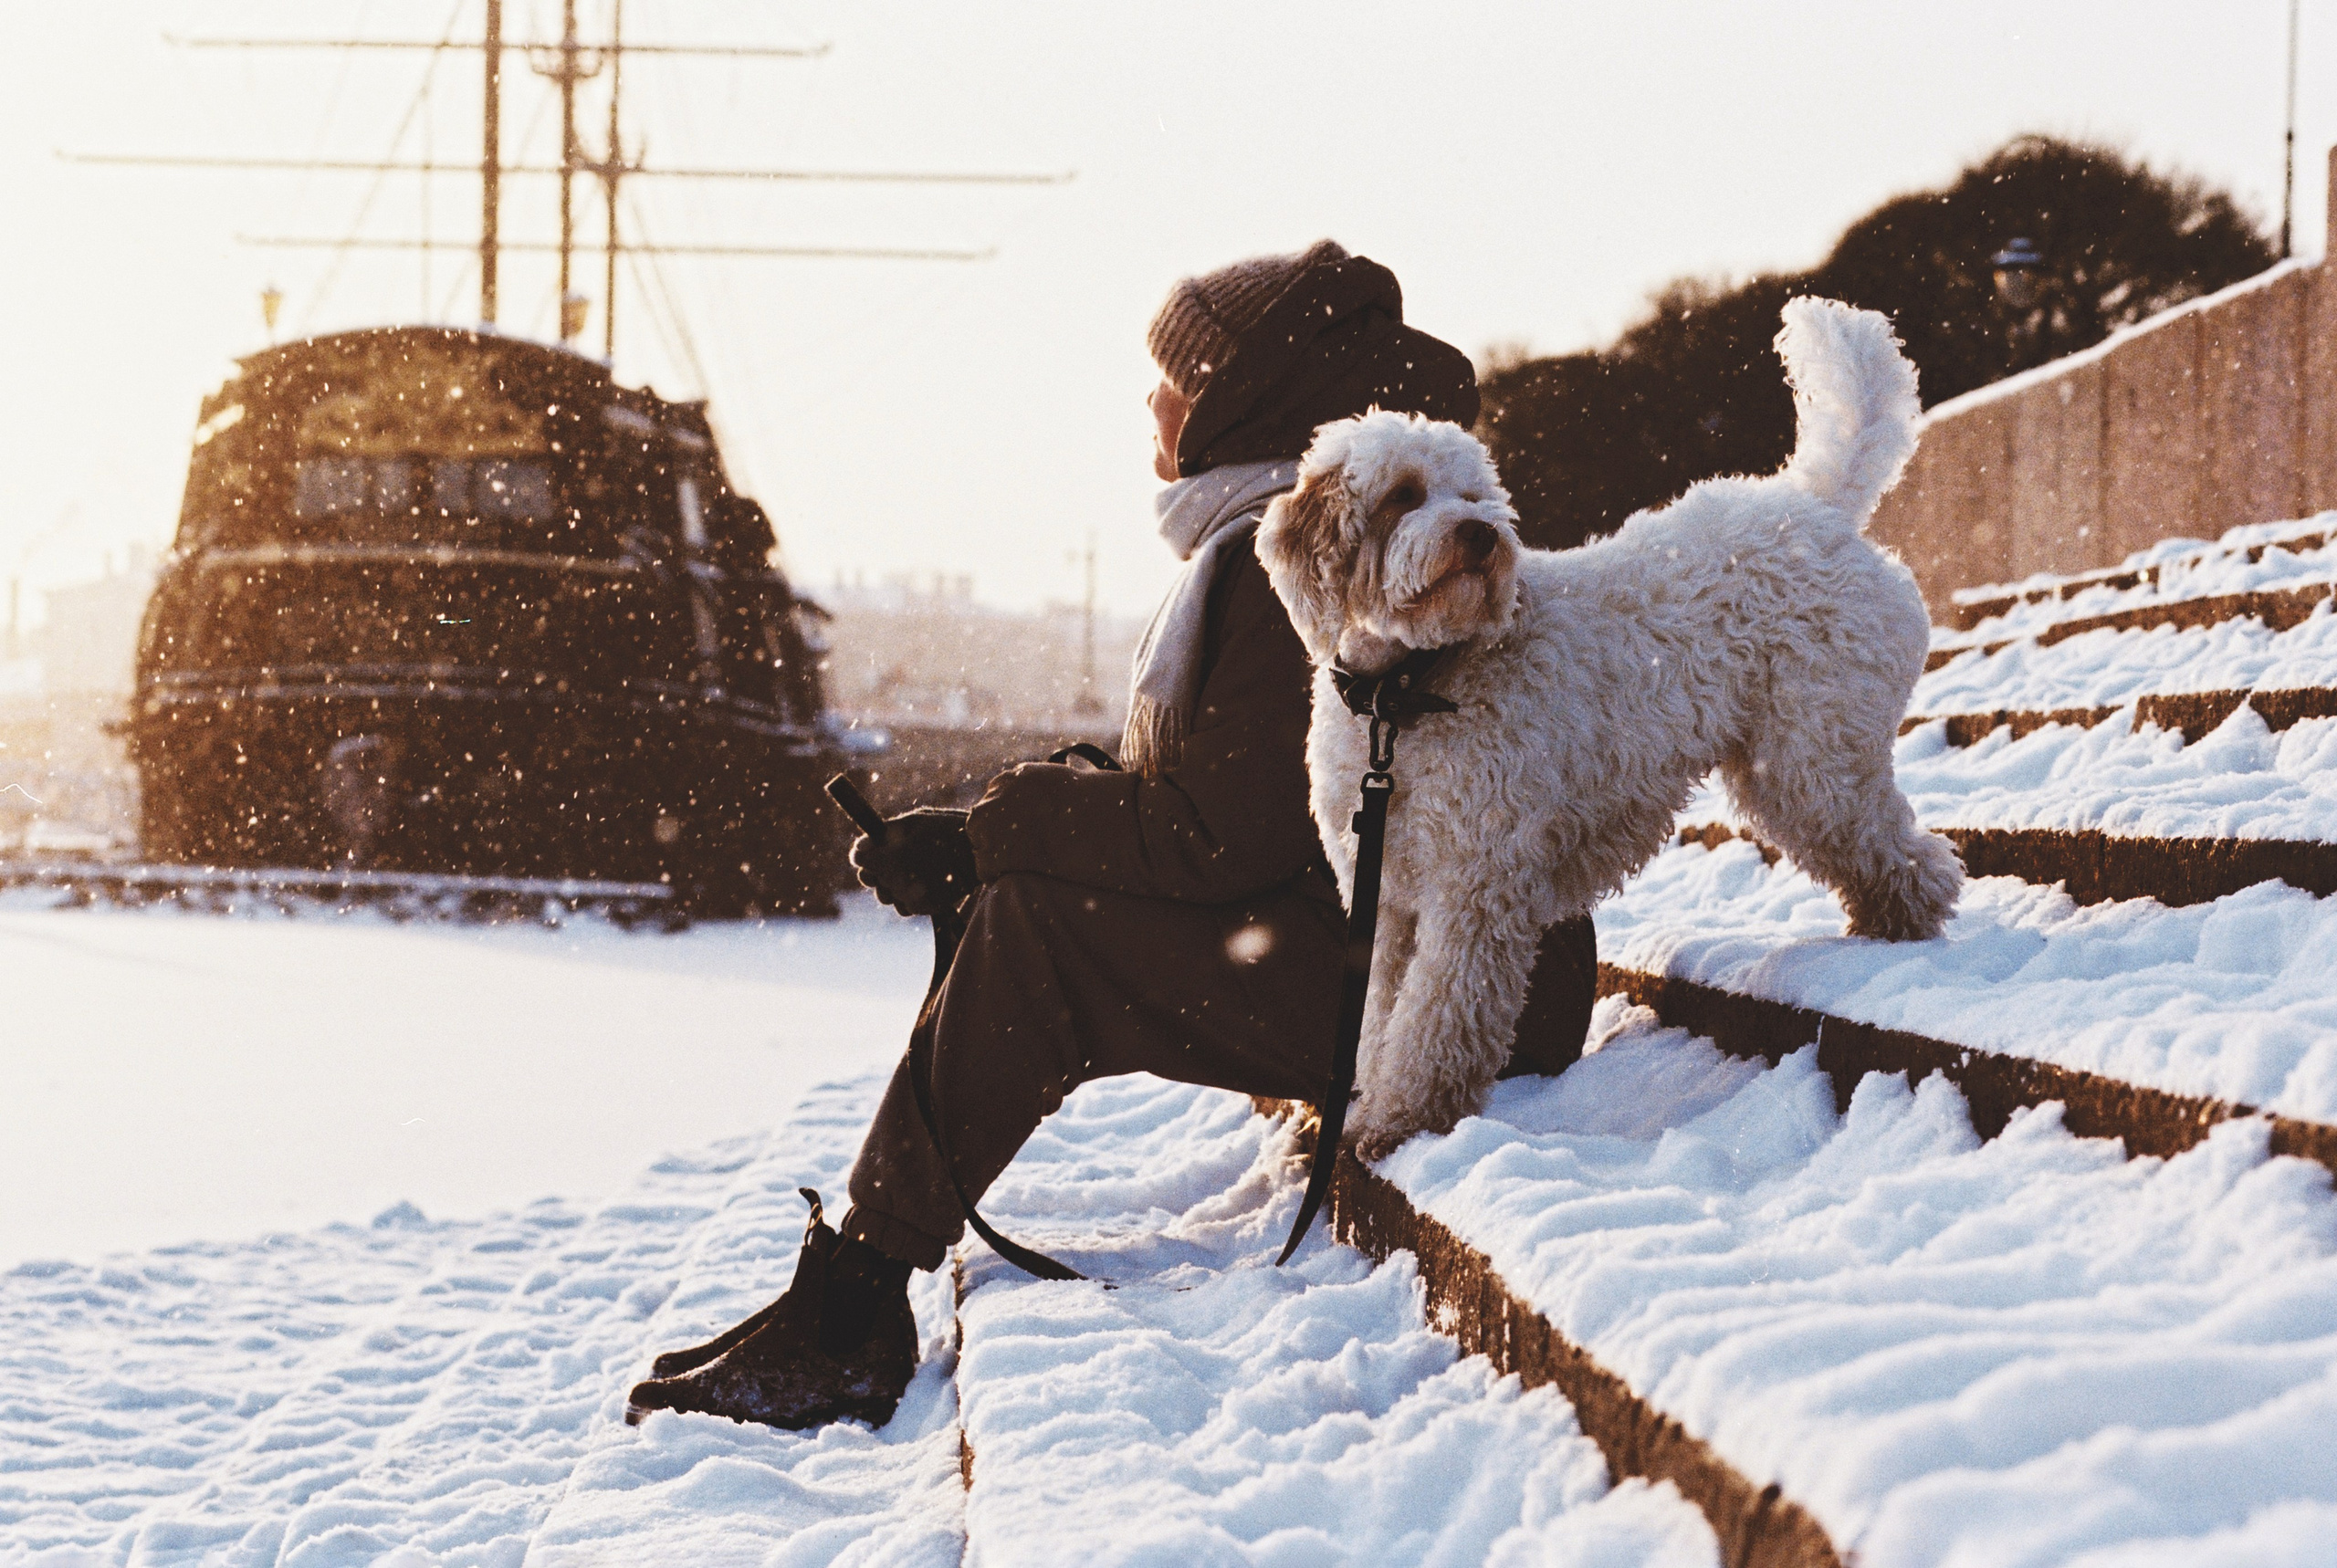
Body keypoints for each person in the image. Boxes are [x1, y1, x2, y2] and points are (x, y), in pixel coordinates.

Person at [625, 240, 1598, 1431]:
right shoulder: (1254, 547)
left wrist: (998, 839)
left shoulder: (1284, 567)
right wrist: (978, 831)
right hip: (1385, 958)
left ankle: (852, 1304)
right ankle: (845, 1291)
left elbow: (1214, 837)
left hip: (1447, 994)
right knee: (1027, 894)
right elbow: (1200, 792)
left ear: (1238, 399)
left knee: (1043, 933)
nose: (1154, 399)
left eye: (1176, 377)